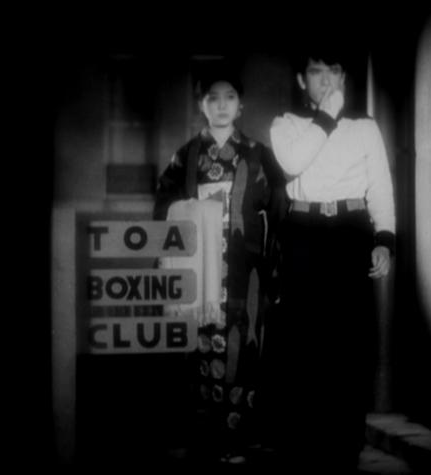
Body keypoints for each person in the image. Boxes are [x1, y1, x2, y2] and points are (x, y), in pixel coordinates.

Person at [259, 50, 396, 472]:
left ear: (344, 76)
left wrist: (384, 239)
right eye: (316, 72)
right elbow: (294, 163)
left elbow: (381, 185)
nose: (326, 80)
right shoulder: (286, 124)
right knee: (306, 339)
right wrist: (326, 117)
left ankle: (346, 442)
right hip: (305, 232)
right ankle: (306, 443)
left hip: (351, 231)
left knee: (350, 338)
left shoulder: (365, 126)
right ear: (302, 80)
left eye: (333, 71)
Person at [153, 61, 286, 465]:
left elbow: (279, 211)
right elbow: (163, 205)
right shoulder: (186, 156)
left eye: (230, 97)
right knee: (199, 347)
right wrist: (192, 210)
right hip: (200, 269)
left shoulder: (260, 155)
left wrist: (273, 266)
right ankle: (205, 441)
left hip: (245, 270)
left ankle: (238, 440)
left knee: (243, 348)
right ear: (202, 105)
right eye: (213, 98)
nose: (222, 105)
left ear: (241, 105)